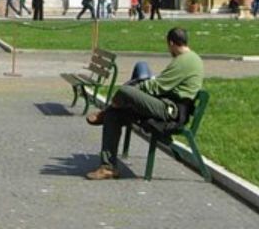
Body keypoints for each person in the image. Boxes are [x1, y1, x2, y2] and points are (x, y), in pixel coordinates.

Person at [85, 27, 204, 180]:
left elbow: (158, 86)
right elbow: (163, 84)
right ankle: (108, 167)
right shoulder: (187, 59)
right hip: (164, 103)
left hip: (169, 110)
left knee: (125, 91)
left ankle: (105, 111)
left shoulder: (186, 61)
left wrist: (136, 88)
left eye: (168, 46)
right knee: (114, 115)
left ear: (171, 43)